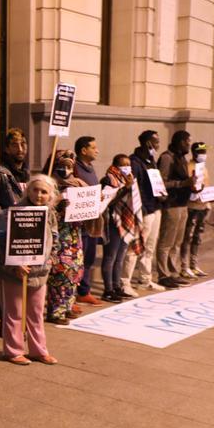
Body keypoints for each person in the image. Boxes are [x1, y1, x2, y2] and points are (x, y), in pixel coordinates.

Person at [0, 174, 59, 365]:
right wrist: (14, 265)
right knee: (14, 313)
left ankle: (38, 350)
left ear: (50, 196)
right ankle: (13, 351)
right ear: (28, 190)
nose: (38, 195)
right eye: (35, 190)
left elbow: (54, 239)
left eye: (44, 192)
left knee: (36, 314)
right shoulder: (12, 213)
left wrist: (50, 260)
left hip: (39, 273)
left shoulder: (50, 214)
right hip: (14, 272)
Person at [43, 149, 85, 322]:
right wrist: (58, 205)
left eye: (69, 166)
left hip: (75, 236)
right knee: (60, 274)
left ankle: (67, 306)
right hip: (59, 238)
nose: (65, 170)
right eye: (62, 166)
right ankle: (56, 311)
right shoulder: (47, 187)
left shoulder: (79, 184)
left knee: (74, 272)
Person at [122, 130, 165, 295]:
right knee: (135, 247)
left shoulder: (151, 161)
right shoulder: (134, 162)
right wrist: (142, 210)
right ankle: (125, 281)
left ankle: (145, 279)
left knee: (149, 247)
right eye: (155, 142)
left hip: (155, 208)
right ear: (147, 143)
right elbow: (135, 188)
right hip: (144, 210)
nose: (157, 145)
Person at [155, 130, 196, 289]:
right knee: (166, 242)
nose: (189, 145)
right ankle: (163, 274)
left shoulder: (182, 158)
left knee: (177, 242)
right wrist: (182, 184)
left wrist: (193, 186)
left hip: (183, 203)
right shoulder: (167, 158)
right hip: (171, 204)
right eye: (187, 142)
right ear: (179, 142)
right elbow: (162, 183)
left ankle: (173, 272)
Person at [100, 154, 140, 302]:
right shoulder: (108, 179)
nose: (127, 167)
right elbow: (108, 202)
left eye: (129, 164)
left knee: (120, 257)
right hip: (113, 221)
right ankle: (108, 290)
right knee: (110, 256)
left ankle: (117, 286)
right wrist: (125, 189)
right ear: (116, 166)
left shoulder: (127, 179)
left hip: (125, 222)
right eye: (124, 165)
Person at [72, 136, 105, 307]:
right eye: (93, 147)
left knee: (89, 258)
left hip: (91, 222)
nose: (97, 150)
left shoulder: (90, 167)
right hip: (79, 223)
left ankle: (84, 291)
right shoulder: (74, 168)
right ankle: (71, 295)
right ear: (83, 150)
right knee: (77, 259)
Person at [0, 128, 30, 218]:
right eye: (15, 145)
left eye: (23, 144)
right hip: (8, 229)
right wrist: (7, 215)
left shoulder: (28, 174)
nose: (20, 149)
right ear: (7, 149)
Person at [181, 141, 211, 278]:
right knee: (188, 236)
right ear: (194, 153)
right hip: (192, 206)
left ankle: (194, 264)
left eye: (205, 152)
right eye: (201, 152)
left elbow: (206, 185)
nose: (204, 155)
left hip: (203, 205)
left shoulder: (203, 167)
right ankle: (184, 266)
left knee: (197, 237)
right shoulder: (189, 167)